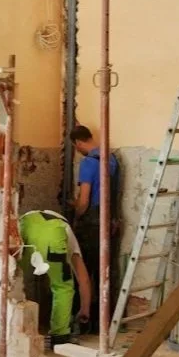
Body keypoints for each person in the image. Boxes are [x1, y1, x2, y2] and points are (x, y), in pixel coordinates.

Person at [16, 208, 92, 346]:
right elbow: (84, 279)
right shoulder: (67, 233)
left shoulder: (31, 215)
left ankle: (14, 328)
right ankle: (60, 336)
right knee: (63, 286)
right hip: (54, 235)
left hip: (24, 226)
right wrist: (85, 309)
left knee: (15, 277)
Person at [70, 123, 121, 310]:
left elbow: (84, 200)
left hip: (92, 224)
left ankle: (85, 316)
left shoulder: (89, 163)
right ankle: (107, 317)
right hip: (111, 220)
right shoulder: (112, 159)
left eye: (76, 148)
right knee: (106, 270)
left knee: (85, 271)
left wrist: (76, 213)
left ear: (78, 142)